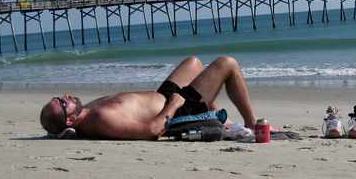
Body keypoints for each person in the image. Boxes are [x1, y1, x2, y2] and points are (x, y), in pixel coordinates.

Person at [40, 56, 263, 140]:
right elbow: (150, 131)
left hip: (164, 98)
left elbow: (57, 128)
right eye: (62, 102)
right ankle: (251, 122)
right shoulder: (100, 119)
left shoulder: (86, 113)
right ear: (69, 119)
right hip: (177, 111)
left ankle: (224, 121)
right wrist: (175, 104)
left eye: (58, 97)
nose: (66, 96)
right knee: (227, 64)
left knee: (194, 63)